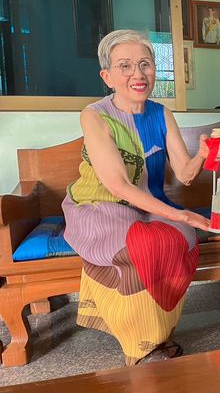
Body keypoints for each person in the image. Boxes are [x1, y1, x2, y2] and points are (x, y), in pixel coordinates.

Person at [62, 29, 211, 365]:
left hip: (148, 202)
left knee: (182, 238)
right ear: (107, 76)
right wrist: (179, 214)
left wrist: (202, 154)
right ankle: (140, 346)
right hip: (101, 204)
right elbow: (117, 185)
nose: (138, 74)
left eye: (145, 64)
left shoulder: (162, 113)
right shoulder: (94, 115)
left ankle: (159, 333)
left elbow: (185, 175)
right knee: (140, 245)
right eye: (125, 66)